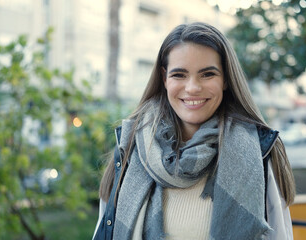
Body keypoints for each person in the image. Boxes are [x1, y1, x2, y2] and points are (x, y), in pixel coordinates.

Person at [93, 22, 295, 240]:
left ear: (225, 79)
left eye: (207, 74)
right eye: (179, 75)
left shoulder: (257, 152)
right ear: (164, 78)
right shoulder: (131, 145)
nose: (192, 88)